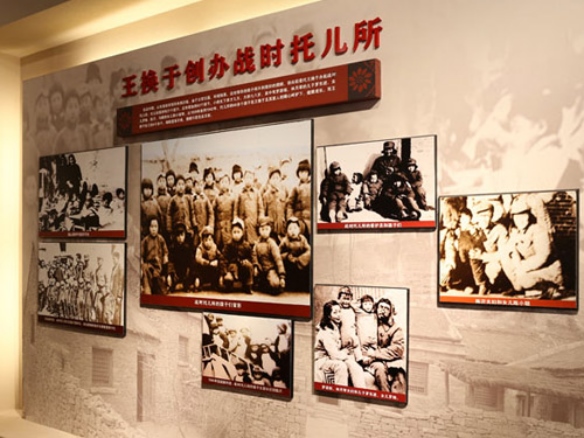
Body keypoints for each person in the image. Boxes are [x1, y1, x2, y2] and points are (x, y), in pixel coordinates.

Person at [499, 197, 564, 298]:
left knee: (522, 278)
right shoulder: (516, 232)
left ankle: (550, 287)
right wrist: (515, 262)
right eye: (517, 217)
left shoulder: (538, 230)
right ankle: (519, 288)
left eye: (524, 216)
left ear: (529, 216)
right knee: (504, 256)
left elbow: (543, 256)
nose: (520, 220)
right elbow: (510, 250)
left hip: (546, 270)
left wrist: (522, 267)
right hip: (527, 269)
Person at [313, 300, 365, 387]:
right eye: (335, 312)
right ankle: (340, 392)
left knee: (355, 366)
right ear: (329, 316)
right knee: (341, 366)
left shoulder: (337, 326)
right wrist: (344, 352)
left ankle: (361, 391)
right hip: (323, 360)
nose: (339, 315)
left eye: (339, 311)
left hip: (335, 356)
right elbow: (334, 355)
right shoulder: (325, 331)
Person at [363, 298, 405, 392]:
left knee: (385, 370)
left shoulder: (396, 328)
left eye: (386, 308)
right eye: (381, 307)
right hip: (364, 356)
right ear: (376, 308)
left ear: (390, 312)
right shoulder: (368, 320)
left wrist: (375, 354)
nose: (383, 310)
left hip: (381, 359)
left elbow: (398, 349)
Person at [252, 216, 285, 295]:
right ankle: (261, 282)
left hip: (270, 268)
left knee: (275, 285)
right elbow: (254, 255)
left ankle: (270, 283)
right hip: (260, 268)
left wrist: (282, 276)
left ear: (270, 230)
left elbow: (278, 259)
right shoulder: (257, 243)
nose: (264, 232)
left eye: (266, 229)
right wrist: (255, 266)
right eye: (262, 229)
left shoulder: (272, 243)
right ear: (259, 231)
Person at [220, 218, 254, 293]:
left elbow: (251, 257)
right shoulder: (228, 245)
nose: (236, 234)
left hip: (242, 269)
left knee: (248, 265)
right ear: (231, 233)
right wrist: (225, 272)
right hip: (232, 269)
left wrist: (247, 261)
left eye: (238, 232)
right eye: (234, 232)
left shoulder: (246, 245)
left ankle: (247, 286)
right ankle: (229, 284)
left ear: (242, 233)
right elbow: (223, 259)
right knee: (229, 275)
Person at [278, 216, 310, 292]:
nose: (293, 231)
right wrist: (286, 256)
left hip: (301, 264)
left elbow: (309, 250)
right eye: (290, 229)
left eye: (295, 228)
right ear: (286, 231)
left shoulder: (303, 239)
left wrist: (300, 259)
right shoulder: (285, 240)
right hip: (290, 265)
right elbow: (277, 254)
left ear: (299, 229)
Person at [141, 216, 168, 295]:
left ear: (158, 228)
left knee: (161, 291)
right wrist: (142, 264)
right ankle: (147, 291)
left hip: (157, 267)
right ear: (149, 228)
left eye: (155, 227)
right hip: (148, 267)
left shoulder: (161, 239)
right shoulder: (145, 240)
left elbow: (165, 252)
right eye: (152, 227)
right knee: (146, 270)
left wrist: (165, 257)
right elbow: (141, 255)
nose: (153, 229)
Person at [167, 222, 196, 292]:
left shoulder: (188, 248)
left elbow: (191, 261)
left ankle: (187, 285)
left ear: (185, 235)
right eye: (178, 236)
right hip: (176, 272)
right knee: (170, 279)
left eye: (182, 235)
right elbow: (170, 262)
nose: (180, 238)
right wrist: (171, 272)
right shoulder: (172, 248)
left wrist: (188, 272)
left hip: (185, 272)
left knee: (192, 276)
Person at [236, 170, 263, 245]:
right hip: (243, 224)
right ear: (243, 179)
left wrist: (260, 219)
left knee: (254, 244)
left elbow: (261, 208)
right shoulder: (240, 193)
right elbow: (236, 208)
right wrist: (237, 221)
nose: (248, 179)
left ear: (253, 179)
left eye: (250, 178)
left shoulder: (257, 193)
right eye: (247, 177)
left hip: (254, 223)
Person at [286, 159, 311, 236]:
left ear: (308, 173)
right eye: (300, 172)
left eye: (304, 172)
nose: (302, 174)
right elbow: (290, 204)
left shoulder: (313, 186)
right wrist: (290, 219)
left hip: (310, 220)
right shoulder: (296, 188)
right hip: (299, 220)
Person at [195, 226, 221, 290]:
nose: (208, 242)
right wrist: (206, 262)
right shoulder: (200, 248)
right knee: (198, 270)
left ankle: (215, 284)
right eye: (206, 240)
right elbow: (198, 258)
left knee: (217, 270)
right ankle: (199, 283)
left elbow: (220, 256)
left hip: (212, 268)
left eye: (210, 240)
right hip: (203, 268)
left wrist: (217, 261)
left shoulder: (214, 247)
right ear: (202, 240)